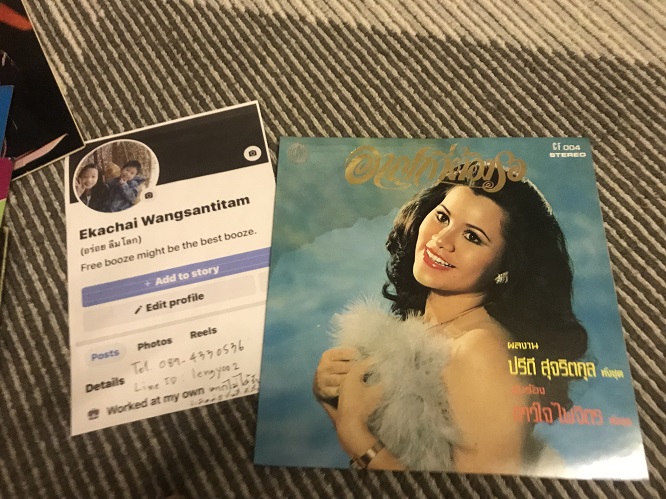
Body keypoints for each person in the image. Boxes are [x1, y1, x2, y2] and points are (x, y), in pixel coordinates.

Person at [313, 168, 588, 473]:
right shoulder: (427, 330)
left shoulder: (480, 350)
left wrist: (354, 432)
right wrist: (335, 402)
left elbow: (479, 490)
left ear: (505, 267)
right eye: (443, 217)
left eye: (472, 236)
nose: (442, 239)